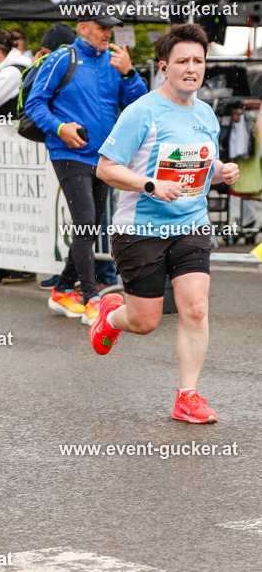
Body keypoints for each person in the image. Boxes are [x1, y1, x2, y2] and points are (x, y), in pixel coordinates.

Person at [91, 23, 239, 423]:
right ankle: (111, 315)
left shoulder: (206, 113)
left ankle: (187, 396)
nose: (191, 68)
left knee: (195, 307)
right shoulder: (141, 112)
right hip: (140, 230)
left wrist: (222, 170)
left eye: (198, 61)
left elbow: (201, 166)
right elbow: (106, 168)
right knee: (145, 320)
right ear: (164, 67)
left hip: (190, 224)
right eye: (182, 61)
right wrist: (151, 185)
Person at [26, 9, 146, 323]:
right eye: (101, 27)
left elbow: (139, 105)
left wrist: (130, 74)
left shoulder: (114, 62)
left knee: (90, 226)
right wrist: (59, 127)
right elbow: (34, 103)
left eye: (111, 29)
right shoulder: (62, 58)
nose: (108, 33)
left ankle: (63, 289)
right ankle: (91, 296)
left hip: (104, 157)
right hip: (69, 154)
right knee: (85, 222)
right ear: (83, 28)